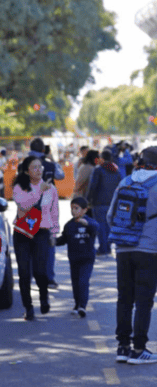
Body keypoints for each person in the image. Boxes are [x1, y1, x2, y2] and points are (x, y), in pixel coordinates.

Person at [111, 146, 157, 365]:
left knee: (124, 299)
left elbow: (110, 215)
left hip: (124, 249)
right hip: (150, 250)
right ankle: (139, 349)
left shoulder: (125, 182)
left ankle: (122, 347)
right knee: (143, 301)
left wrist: (124, 236)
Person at [12, 156, 60, 321]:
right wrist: (39, 191)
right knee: (24, 273)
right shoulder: (20, 187)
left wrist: (54, 233)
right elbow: (24, 205)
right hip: (23, 233)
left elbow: (54, 212)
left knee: (41, 271)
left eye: (40, 167)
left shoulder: (51, 189)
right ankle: (28, 307)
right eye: (34, 167)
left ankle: (44, 298)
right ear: (26, 171)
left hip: (41, 232)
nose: (39, 170)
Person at [29, 137, 64, 289]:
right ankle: (49, 278)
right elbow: (60, 176)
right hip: (48, 208)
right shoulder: (50, 164)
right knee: (50, 242)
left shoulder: (25, 164)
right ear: (44, 149)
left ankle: (29, 277)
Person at [55, 196, 98, 318]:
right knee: (75, 283)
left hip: (87, 258)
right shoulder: (69, 225)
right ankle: (77, 303)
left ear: (85, 210)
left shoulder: (90, 222)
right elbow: (63, 239)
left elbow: (96, 228)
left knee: (83, 281)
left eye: (76, 208)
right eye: (72, 208)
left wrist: (87, 224)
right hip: (74, 258)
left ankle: (82, 306)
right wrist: (52, 241)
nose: (73, 211)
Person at [87, 149, 123, 256]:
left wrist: (89, 200)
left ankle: (103, 248)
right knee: (108, 226)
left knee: (100, 226)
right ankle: (107, 246)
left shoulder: (99, 169)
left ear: (102, 158)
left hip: (99, 202)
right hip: (113, 203)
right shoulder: (116, 170)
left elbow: (93, 186)